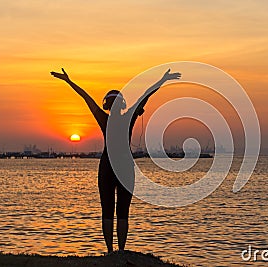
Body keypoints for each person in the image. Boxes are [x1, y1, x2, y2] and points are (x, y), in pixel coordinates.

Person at [50, 68, 181, 253]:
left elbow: (85, 97)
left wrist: (68, 81)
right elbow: (146, 95)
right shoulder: (128, 117)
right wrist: (162, 80)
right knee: (123, 212)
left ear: (107, 105)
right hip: (125, 167)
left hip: (107, 166)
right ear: (122, 104)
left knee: (107, 210)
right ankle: (120, 250)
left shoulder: (104, 119)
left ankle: (111, 251)